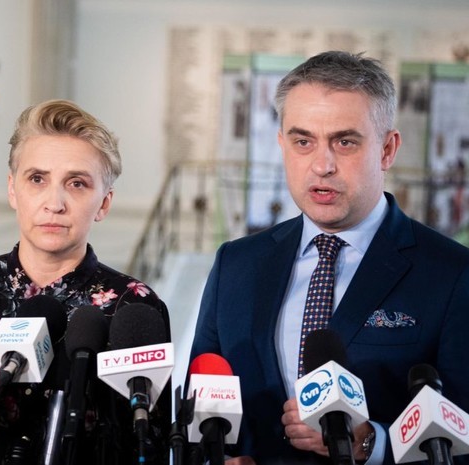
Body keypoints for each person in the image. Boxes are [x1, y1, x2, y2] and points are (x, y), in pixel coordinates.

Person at [189, 51, 469, 465]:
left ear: (387, 149)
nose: (322, 165)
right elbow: (198, 412)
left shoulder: (453, 274)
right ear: (282, 145)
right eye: (303, 142)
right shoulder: (236, 264)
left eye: (345, 142)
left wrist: (371, 443)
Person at [0, 99, 171, 465]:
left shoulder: (133, 306)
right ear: (13, 190)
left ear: (104, 203)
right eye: (37, 179)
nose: (54, 203)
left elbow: (148, 445)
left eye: (77, 183)